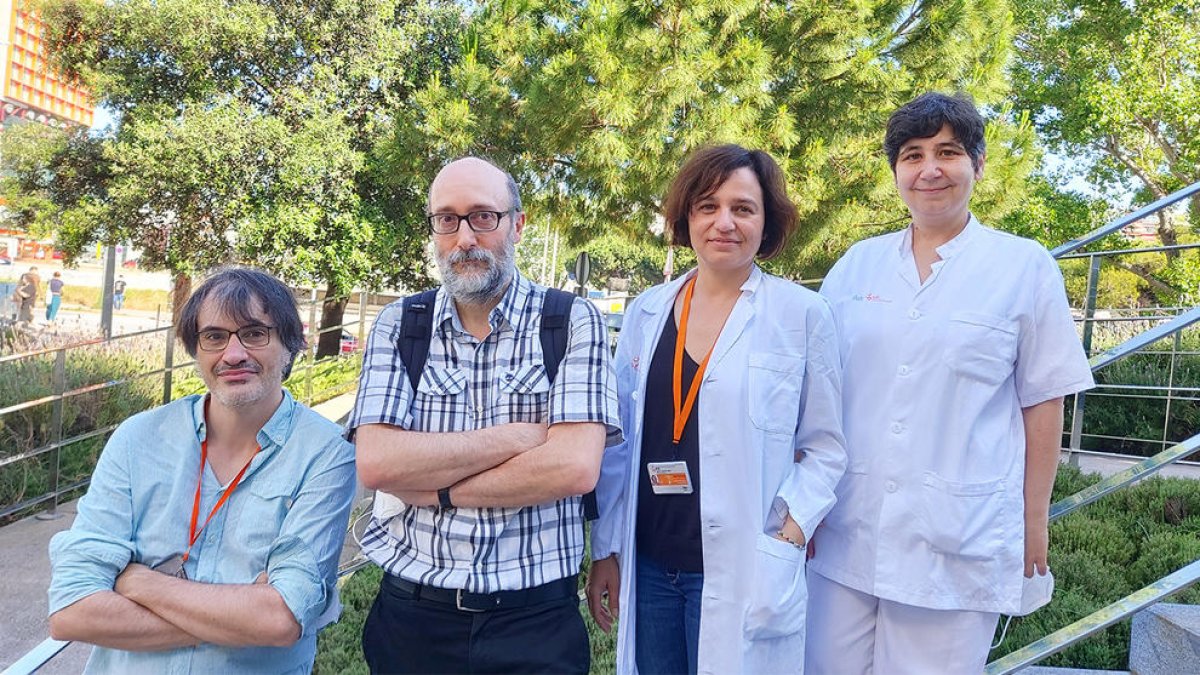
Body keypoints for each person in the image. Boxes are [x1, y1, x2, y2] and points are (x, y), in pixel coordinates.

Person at [805, 92, 1095, 674]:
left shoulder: (1023, 265)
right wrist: (804, 505)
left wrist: (1033, 519)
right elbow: (817, 393)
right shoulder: (856, 266)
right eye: (912, 155)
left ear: (978, 166)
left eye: (948, 152)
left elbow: (1043, 400)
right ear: (896, 173)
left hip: (956, 540)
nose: (929, 169)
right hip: (844, 531)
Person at [350, 156, 621, 674]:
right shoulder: (400, 324)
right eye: (447, 219)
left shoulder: (569, 322)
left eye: (483, 217)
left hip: (534, 624)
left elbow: (573, 469)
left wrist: (436, 489)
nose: (464, 237)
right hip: (412, 621)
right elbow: (379, 464)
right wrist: (514, 439)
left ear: (517, 225)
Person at [585, 144, 848, 674]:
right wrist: (606, 548)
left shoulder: (801, 315)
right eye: (708, 206)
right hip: (650, 566)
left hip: (746, 566)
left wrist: (791, 529)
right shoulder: (647, 310)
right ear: (686, 216)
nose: (723, 222)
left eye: (742, 208)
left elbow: (825, 446)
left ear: (766, 221)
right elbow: (618, 443)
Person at [47, 266, 357, 673]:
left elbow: (280, 620)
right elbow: (72, 611)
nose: (233, 354)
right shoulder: (138, 439)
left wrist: (139, 583)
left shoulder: (326, 455)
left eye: (254, 333)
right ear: (196, 349)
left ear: (290, 343)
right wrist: (241, 615)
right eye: (214, 337)